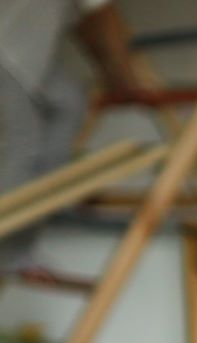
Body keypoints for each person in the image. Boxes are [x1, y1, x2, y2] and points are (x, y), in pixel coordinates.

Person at [0, 0, 146, 276]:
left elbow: (89, 31)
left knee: (70, 102)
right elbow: (103, 23)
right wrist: (125, 81)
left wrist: (112, 74)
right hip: (8, 55)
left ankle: (38, 208)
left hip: (23, 55)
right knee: (24, 144)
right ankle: (7, 248)